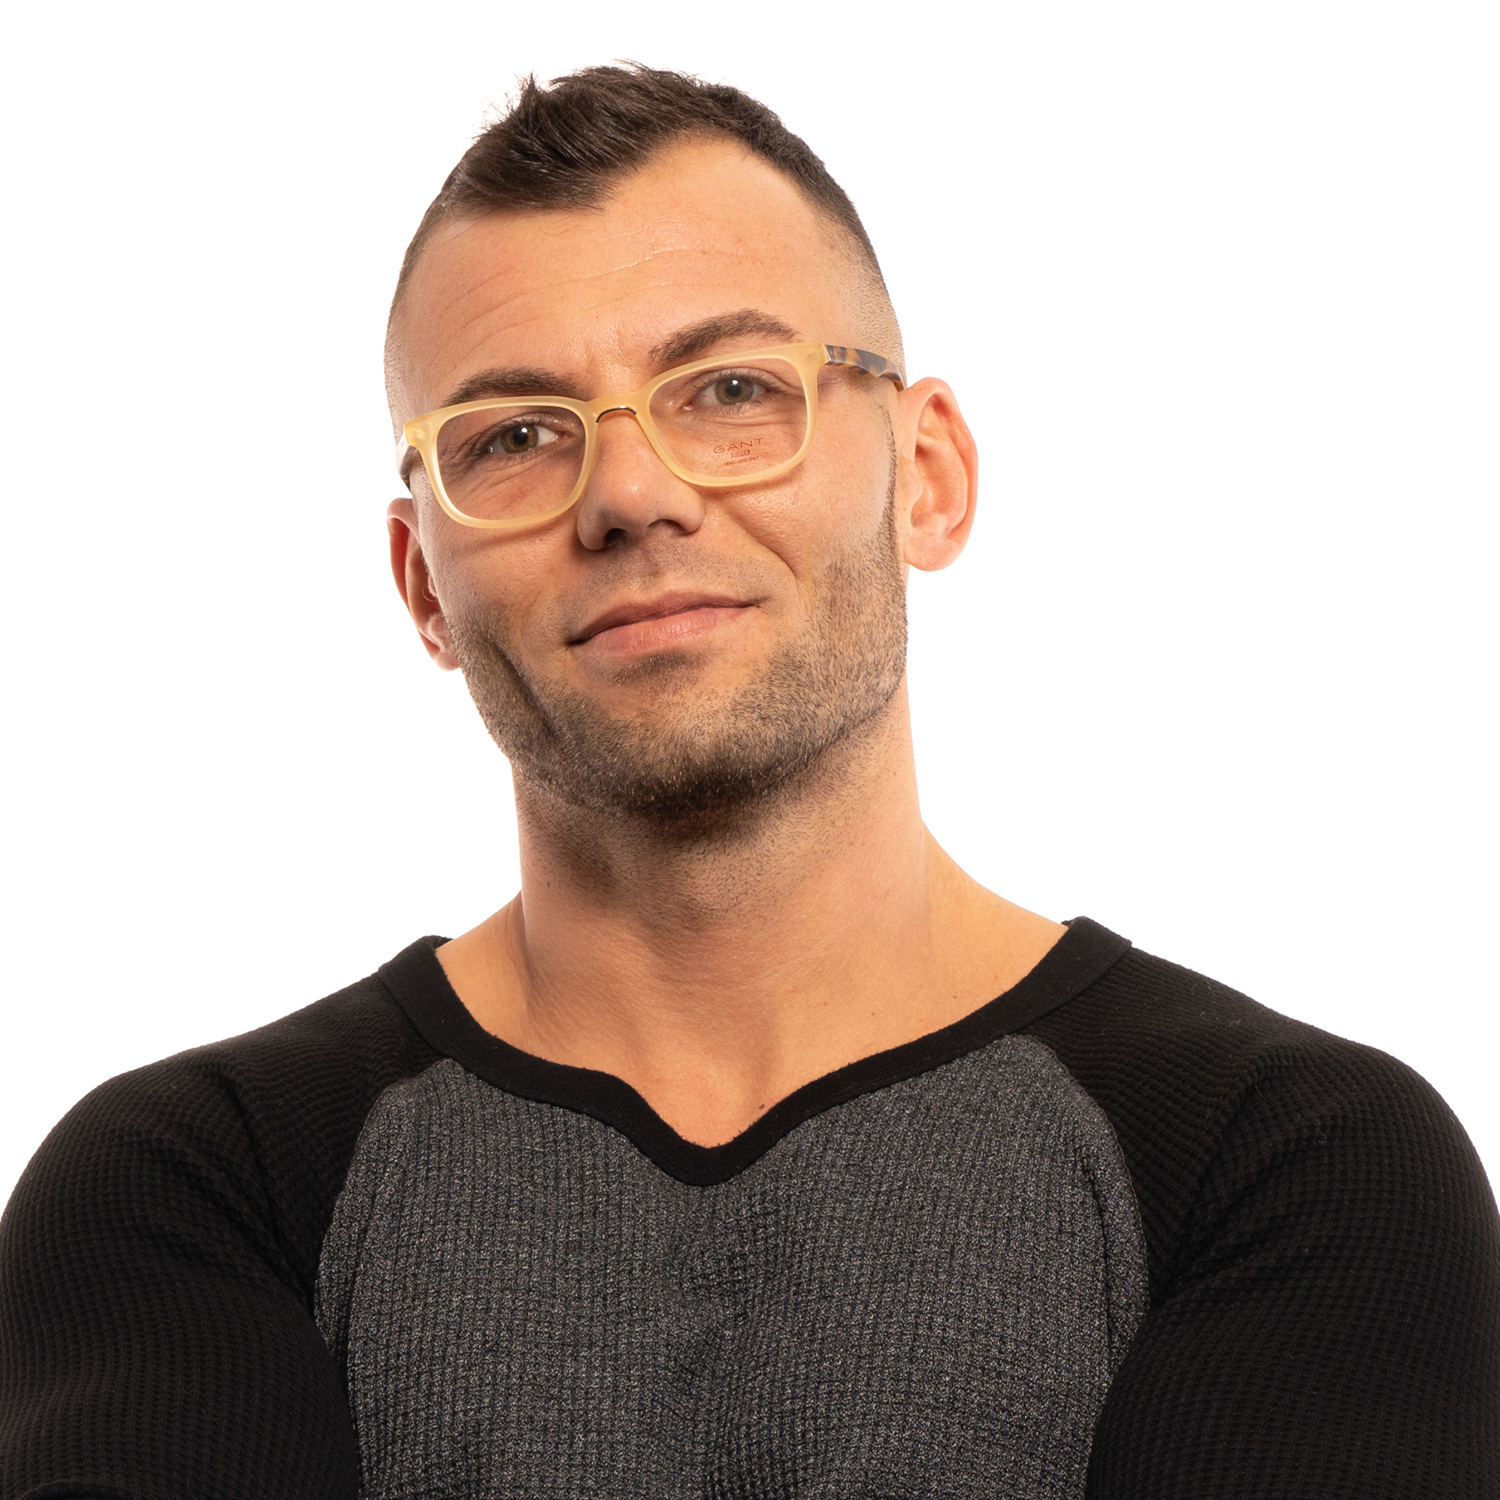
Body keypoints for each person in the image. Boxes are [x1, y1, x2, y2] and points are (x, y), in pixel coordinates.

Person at [1, 63, 1496, 1500]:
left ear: (927, 476)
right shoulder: (193, 1187)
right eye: (514, 436)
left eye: (729, 388)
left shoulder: (1292, 1162)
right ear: (421, 585)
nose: (633, 493)